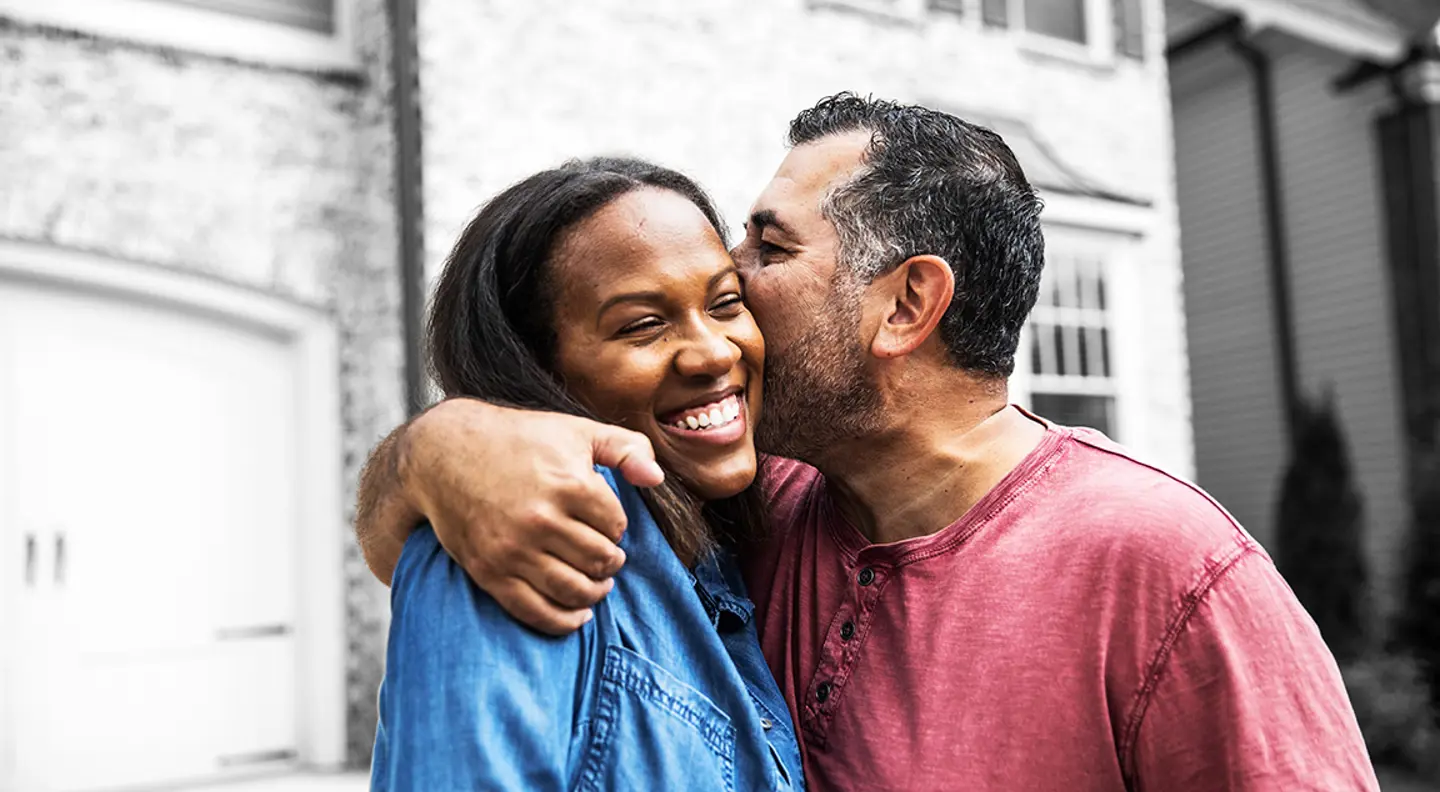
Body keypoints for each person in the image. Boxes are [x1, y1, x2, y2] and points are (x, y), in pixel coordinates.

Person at [357, 94, 1379, 791]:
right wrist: (436, 447)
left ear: (905, 306)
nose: (734, 289)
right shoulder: (752, 512)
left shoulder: (1165, 565)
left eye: (767, 250)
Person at [366, 156, 804, 791]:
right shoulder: (524, 528)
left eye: (725, 303)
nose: (714, 352)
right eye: (642, 325)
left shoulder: (726, 536)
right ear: (539, 371)